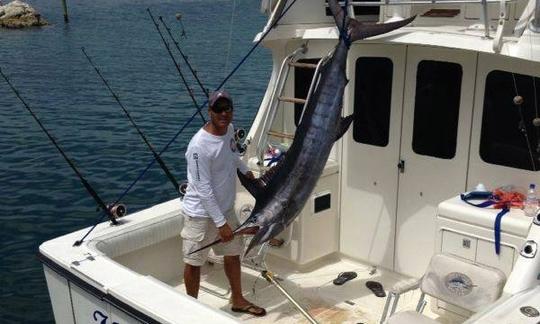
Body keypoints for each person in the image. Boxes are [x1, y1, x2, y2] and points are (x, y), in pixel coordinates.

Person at [181, 90, 266, 317]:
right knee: (194, 262)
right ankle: (192, 311)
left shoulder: (228, 129)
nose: (224, 113)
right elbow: (203, 189)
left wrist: (247, 173)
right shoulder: (199, 146)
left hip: (225, 208)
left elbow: (233, 155)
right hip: (201, 214)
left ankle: (237, 299)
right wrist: (220, 223)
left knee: (232, 254)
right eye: (218, 109)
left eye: (227, 108)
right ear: (209, 112)